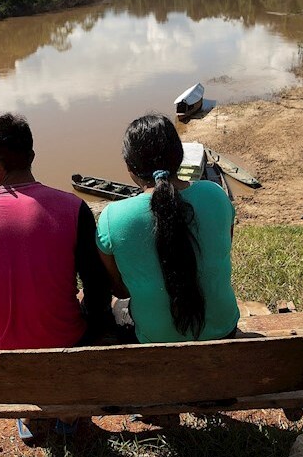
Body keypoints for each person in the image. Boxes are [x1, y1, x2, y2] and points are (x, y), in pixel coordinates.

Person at [0, 113, 111, 441]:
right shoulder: (74, 207)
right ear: (32, 155)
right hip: (65, 341)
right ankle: (68, 414)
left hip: (0, 350)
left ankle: (27, 413)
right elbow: (97, 287)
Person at [96, 113, 239, 344]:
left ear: (130, 167)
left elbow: (121, 291)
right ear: (180, 157)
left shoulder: (113, 218)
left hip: (155, 339)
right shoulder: (216, 195)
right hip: (224, 329)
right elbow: (223, 250)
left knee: (117, 307)